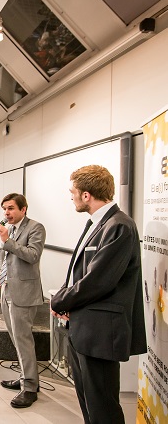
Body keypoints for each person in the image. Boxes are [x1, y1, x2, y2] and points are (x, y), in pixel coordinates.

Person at [50, 165, 146, 424]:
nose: (70, 196)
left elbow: (98, 281)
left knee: (103, 407)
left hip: (101, 333)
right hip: (85, 328)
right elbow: (79, 273)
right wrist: (64, 296)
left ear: (86, 195)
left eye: (73, 192)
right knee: (89, 403)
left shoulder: (120, 226)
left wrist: (61, 300)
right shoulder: (98, 223)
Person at [0, 193, 46, 408]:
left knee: (23, 340)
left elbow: (33, 255)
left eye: (12, 208)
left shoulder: (35, 227)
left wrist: (7, 240)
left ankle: (30, 388)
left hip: (24, 292)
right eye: (5, 208)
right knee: (16, 338)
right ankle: (26, 377)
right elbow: (5, 257)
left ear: (24, 209)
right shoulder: (11, 229)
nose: (7, 212)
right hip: (8, 289)